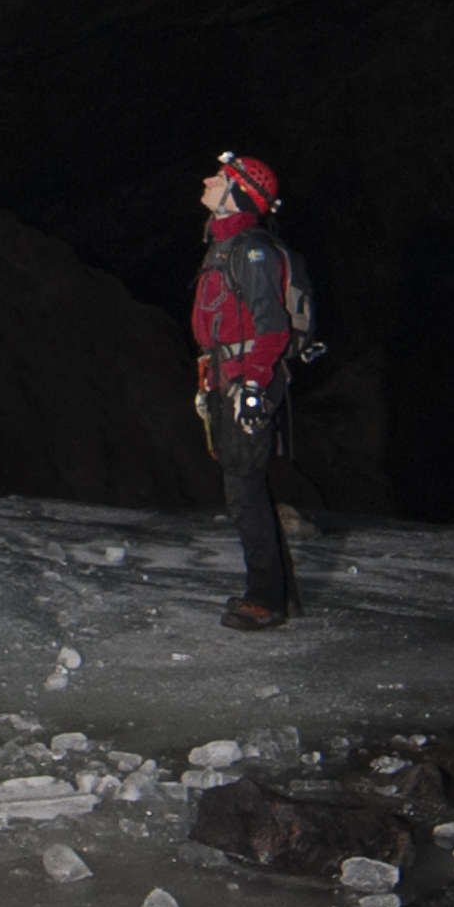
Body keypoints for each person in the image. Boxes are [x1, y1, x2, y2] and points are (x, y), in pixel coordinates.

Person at [190, 152, 307, 628]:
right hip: (228, 379)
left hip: (245, 381)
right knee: (245, 487)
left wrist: (253, 387)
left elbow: (272, 326)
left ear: (237, 191)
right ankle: (281, 593)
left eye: (218, 177)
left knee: (244, 491)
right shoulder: (223, 246)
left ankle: (267, 599)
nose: (207, 179)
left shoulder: (250, 249)